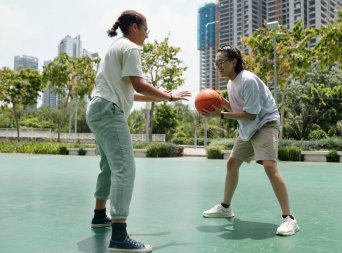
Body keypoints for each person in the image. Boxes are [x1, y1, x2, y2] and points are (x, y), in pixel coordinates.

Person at [86, 10, 191, 252]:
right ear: (135, 27)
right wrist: (170, 95)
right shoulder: (131, 49)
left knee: (108, 166)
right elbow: (138, 83)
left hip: (97, 109)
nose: (147, 35)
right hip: (110, 112)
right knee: (125, 168)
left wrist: (165, 100)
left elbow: (132, 92)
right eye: (146, 30)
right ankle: (119, 237)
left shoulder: (115, 47)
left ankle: (100, 215)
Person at [201, 45, 299, 236]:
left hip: (265, 124)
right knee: (232, 163)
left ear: (233, 62)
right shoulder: (231, 83)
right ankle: (225, 207)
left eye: (221, 62)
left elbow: (251, 114)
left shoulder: (247, 80)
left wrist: (220, 115)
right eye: (216, 63)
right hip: (248, 127)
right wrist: (220, 102)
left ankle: (289, 219)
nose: (218, 66)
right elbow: (240, 110)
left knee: (270, 166)